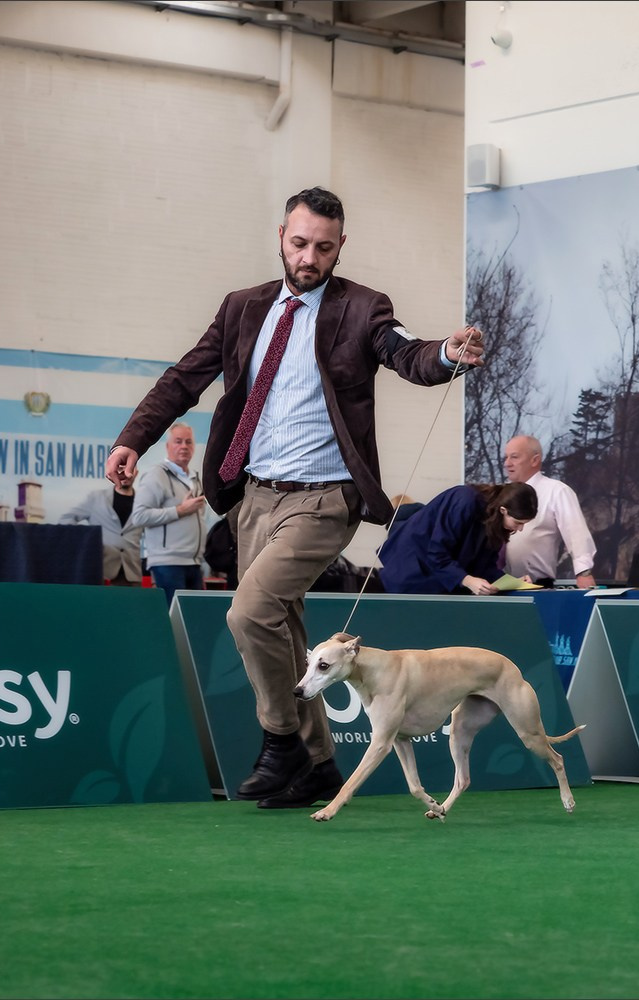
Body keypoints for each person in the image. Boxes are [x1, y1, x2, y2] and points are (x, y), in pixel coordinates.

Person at [105, 186, 484, 810]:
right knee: (284, 629)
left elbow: (405, 352)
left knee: (248, 612)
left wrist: (447, 354)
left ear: (341, 247)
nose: (310, 258)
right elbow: (184, 379)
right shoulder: (241, 308)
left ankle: (280, 739)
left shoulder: (364, 309)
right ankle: (317, 767)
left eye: (325, 248)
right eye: (300, 243)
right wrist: (134, 439)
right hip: (253, 497)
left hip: (325, 499)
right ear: (282, 235)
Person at [377, 481, 538, 595]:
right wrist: (466, 579)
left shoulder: (494, 523)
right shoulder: (464, 501)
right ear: (503, 510)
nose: (520, 529)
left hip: (438, 581)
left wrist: (514, 583)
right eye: (518, 522)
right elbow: (437, 554)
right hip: (413, 575)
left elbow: (485, 567)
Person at [129, 422, 208, 607]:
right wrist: (180, 510)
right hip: (168, 563)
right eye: (178, 441)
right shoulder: (156, 476)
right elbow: (139, 516)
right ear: (167, 446)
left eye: (188, 442)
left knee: (192, 622)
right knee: (174, 624)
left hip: (194, 562)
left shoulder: (194, 478)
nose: (184, 446)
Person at [503, 434, 596, 588]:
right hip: (499, 586)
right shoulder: (500, 493)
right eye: (505, 457)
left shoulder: (557, 491)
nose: (507, 463)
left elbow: (576, 534)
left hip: (537, 587)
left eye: (514, 457)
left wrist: (583, 573)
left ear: (534, 460)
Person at [58, 469, 143, 586]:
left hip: (132, 573)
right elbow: (66, 519)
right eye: (121, 470)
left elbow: (154, 538)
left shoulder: (144, 502)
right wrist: (85, 543)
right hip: (100, 571)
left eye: (130, 470)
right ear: (114, 472)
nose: (125, 474)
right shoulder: (96, 498)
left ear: (136, 472)